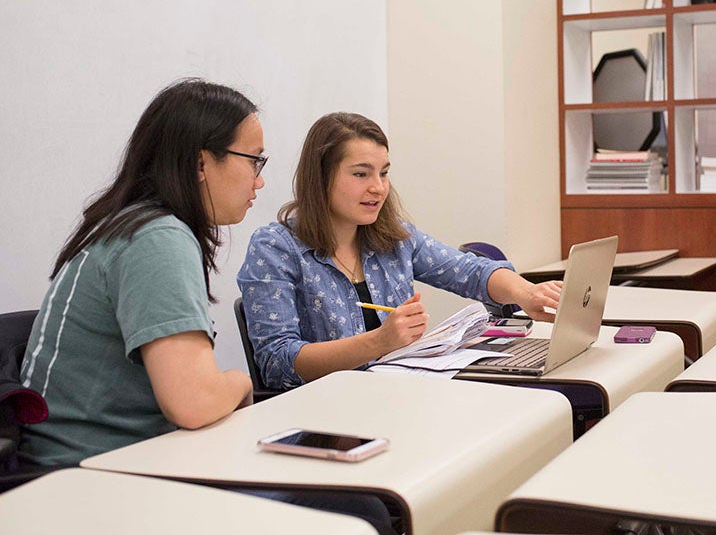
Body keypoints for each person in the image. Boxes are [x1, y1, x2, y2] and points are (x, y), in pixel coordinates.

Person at [18, 81, 392, 534]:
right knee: (359, 508)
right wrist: (236, 381)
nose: (260, 179)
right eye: (254, 160)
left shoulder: (135, 225)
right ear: (201, 162)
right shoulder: (158, 239)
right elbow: (192, 403)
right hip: (98, 479)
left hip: (104, 462)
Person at [237, 112, 562, 389]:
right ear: (321, 178)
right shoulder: (276, 248)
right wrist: (379, 342)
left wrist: (527, 294)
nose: (378, 187)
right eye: (361, 174)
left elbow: (471, 271)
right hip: (325, 418)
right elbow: (277, 363)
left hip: (401, 397)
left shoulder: (395, 238)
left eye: (384, 173)